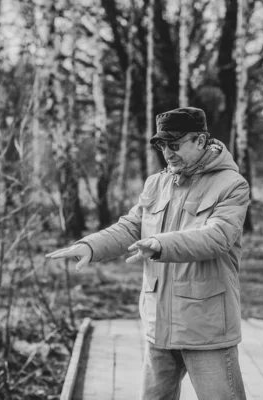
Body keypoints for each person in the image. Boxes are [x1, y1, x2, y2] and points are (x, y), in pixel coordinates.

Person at [46, 107, 250, 400]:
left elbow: (218, 237)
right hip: (159, 326)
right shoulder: (157, 182)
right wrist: (91, 245)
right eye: (162, 145)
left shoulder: (231, 185)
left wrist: (159, 244)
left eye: (175, 144)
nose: (167, 152)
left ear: (202, 140)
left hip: (206, 327)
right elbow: (131, 227)